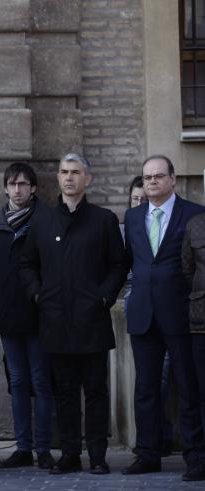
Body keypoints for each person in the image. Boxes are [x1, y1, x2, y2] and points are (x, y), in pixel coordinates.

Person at [19, 153, 128, 475]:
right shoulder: (41, 221)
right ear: (58, 178)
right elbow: (26, 263)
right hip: (55, 321)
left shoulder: (103, 219)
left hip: (92, 321)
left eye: (76, 172)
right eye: (64, 172)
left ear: (87, 178)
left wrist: (104, 296)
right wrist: (37, 293)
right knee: (63, 393)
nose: (69, 178)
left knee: (95, 392)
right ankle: (68, 454)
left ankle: (97, 455)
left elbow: (119, 264)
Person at [123, 155, 205, 480]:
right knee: (144, 388)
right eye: (147, 177)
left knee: (188, 387)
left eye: (159, 176)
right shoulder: (132, 217)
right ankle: (148, 453)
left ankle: (196, 456)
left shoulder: (194, 214)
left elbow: (194, 268)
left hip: (181, 312)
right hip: (143, 313)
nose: (152, 182)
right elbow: (132, 261)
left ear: (173, 179)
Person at [0, 163, 55, 470]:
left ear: (34, 189)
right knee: (17, 380)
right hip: (8, 314)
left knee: (41, 381)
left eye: (23, 184)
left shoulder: (47, 220)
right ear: (5, 188)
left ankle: (43, 447)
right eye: (12, 184)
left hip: (40, 313)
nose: (17, 190)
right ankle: (23, 447)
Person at [181, 202, 205, 482]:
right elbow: (187, 271)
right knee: (201, 393)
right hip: (201, 323)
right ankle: (199, 460)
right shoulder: (195, 224)